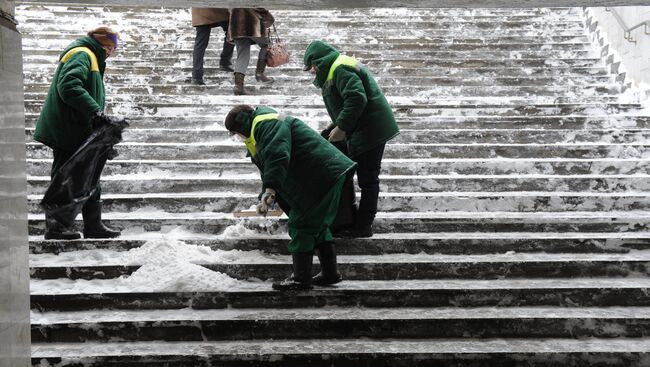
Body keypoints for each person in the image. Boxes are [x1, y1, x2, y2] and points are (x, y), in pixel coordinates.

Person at [224, 105, 356, 291]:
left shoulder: (266, 124)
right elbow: (269, 166)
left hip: (321, 173)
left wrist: (270, 190)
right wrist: (266, 194)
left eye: (237, 133)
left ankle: (301, 279)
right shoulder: (262, 128)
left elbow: (277, 155)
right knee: (316, 226)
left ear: (242, 125)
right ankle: (330, 273)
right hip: (320, 174)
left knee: (302, 222)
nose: (239, 138)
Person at [303, 40, 400, 238]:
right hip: (364, 127)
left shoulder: (339, 69)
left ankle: (363, 226)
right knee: (347, 173)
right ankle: (349, 219)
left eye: (312, 67)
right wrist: (333, 127)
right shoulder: (336, 67)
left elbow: (356, 98)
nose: (312, 71)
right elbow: (346, 104)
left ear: (319, 61)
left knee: (368, 179)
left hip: (371, 130)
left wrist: (342, 127)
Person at [33, 26, 122, 240]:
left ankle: (93, 225)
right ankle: (56, 228)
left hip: (80, 128)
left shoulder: (89, 55)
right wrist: (95, 111)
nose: (112, 52)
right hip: (68, 129)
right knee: (65, 176)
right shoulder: (83, 54)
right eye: (112, 47)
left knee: (90, 172)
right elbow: (69, 87)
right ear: (106, 44)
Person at [227, 8, 275, 95]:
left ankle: (238, 86)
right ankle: (260, 74)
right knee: (266, 45)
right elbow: (257, 5)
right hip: (252, 24)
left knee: (242, 54)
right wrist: (269, 17)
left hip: (236, 24)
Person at [191, 8, 234, 85]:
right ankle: (225, 62)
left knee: (200, 44)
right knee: (232, 32)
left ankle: (196, 76)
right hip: (217, 9)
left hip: (200, 11)